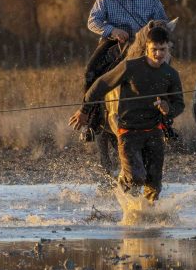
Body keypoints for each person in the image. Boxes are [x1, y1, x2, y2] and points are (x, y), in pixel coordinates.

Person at [69, 24, 184, 201]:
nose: (158, 54)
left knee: (154, 186)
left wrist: (169, 110)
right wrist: (84, 110)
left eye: (162, 49)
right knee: (136, 177)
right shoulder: (130, 67)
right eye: (154, 49)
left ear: (168, 48)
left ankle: (148, 214)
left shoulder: (171, 74)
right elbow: (100, 85)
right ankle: (123, 194)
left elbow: (179, 104)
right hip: (129, 132)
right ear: (147, 47)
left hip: (154, 132)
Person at [79, 0, 167, 140]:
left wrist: (152, 28)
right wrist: (113, 30)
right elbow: (92, 21)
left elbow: (162, 21)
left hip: (144, 44)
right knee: (90, 71)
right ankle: (90, 120)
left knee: (165, 72)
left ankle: (166, 122)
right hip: (113, 42)